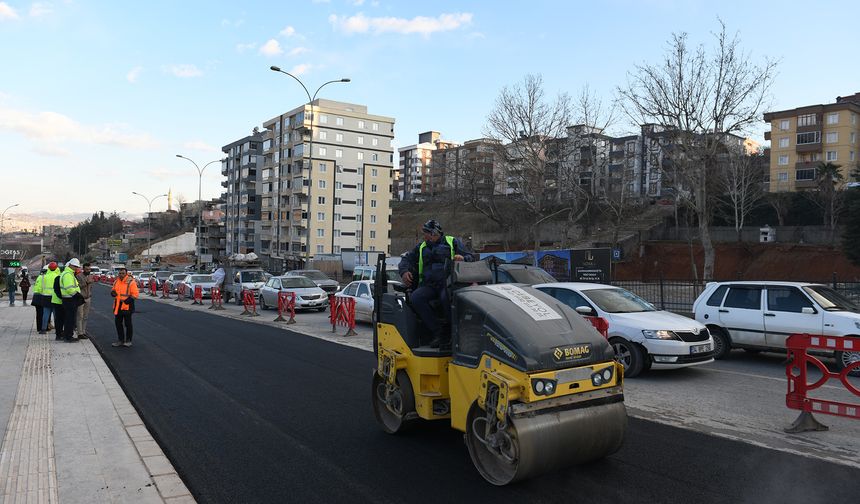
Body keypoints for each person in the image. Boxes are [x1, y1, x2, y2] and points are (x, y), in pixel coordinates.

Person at [398, 219, 474, 347]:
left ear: (434, 233)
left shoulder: (452, 242)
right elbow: (406, 259)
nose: (425, 236)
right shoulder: (421, 247)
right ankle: (439, 332)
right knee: (416, 298)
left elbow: (470, 257)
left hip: (447, 283)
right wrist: (404, 271)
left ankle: (453, 332)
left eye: (426, 233)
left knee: (446, 297)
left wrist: (463, 258)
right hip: (429, 285)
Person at [111, 266, 139, 347]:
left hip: (127, 305)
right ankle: (120, 340)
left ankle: (128, 340)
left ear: (126, 274)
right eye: (120, 273)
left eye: (123, 273)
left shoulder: (131, 282)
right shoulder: (116, 281)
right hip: (118, 306)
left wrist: (127, 301)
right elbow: (113, 290)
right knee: (118, 324)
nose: (121, 275)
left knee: (128, 324)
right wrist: (112, 292)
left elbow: (135, 294)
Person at [58, 258, 83, 343]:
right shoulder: (68, 274)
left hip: (68, 299)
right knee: (70, 319)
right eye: (75, 266)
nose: (76, 268)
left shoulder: (68, 273)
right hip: (70, 299)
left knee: (69, 318)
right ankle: (68, 336)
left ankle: (67, 335)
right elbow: (69, 288)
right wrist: (77, 295)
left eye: (77, 267)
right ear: (70, 265)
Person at [75, 262, 94, 339]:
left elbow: (91, 286)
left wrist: (90, 292)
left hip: (88, 297)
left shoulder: (90, 276)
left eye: (89, 269)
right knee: (80, 316)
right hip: (80, 298)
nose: (88, 270)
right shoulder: (78, 276)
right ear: (83, 269)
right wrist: (86, 283)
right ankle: (79, 333)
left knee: (85, 316)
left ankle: (83, 331)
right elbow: (77, 286)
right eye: (87, 269)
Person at [32, 265, 48, 334]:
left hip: (36, 296)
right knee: (42, 313)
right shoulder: (44, 277)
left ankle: (39, 327)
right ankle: (42, 327)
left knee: (38, 313)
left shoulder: (39, 277)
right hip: (41, 296)